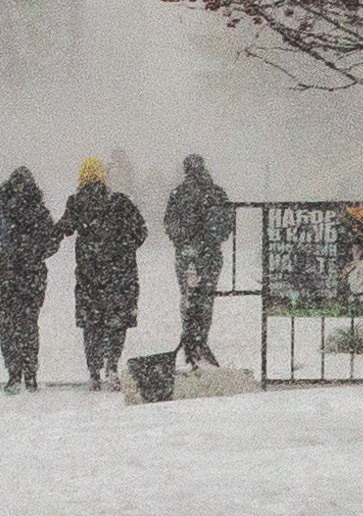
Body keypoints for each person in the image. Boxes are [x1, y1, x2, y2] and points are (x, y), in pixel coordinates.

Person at [58, 157, 147, 390]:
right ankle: (112, 366)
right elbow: (141, 232)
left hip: (90, 276)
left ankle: (94, 372)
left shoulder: (77, 203)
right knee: (116, 323)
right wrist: (122, 250)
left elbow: (63, 229)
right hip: (120, 275)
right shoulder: (121, 203)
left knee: (92, 324)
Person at [0, 167, 62, 394]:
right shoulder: (38, 211)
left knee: (7, 327)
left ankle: (13, 373)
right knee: (28, 327)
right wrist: (32, 252)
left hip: (3, 277)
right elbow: (50, 243)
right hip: (30, 278)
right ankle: (30, 374)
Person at [163, 155, 234, 370]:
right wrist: (210, 241)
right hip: (210, 256)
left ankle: (190, 341)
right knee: (205, 299)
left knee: (188, 296)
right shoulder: (216, 192)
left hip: (187, 255)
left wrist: (185, 241)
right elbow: (227, 222)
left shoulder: (179, 193)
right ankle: (200, 340)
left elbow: (169, 223)